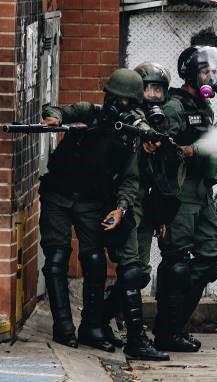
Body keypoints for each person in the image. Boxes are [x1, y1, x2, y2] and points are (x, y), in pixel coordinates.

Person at [153, 41, 217, 352]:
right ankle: (166, 333)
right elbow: (159, 147)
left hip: (202, 195)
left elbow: (205, 151)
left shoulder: (203, 109)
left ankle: (175, 327)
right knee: (177, 263)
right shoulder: (175, 107)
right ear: (191, 74)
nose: (213, 77)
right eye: (207, 72)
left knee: (209, 260)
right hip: (179, 195)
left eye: (216, 72)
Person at [40, 69, 142, 352]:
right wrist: (57, 119)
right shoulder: (89, 113)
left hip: (90, 201)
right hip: (58, 194)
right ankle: (63, 326)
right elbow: (56, 109)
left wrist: (121, 208)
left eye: (124, 101)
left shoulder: (130, 134)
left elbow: (130, 179)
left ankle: (92, 326)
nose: (116, 105)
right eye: (113, 98)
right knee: (57, 257)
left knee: (94, 261)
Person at [102, 62, 177, 361]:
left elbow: (164, 177)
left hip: (145, 208)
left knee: (140, 275)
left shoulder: (157, 123)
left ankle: (97, 318)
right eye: (147, 90)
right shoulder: (119, 124)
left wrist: (160, 216)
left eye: (157, 90)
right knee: (131, 272)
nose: (152, 96)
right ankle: (135, 339)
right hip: (122, 204)